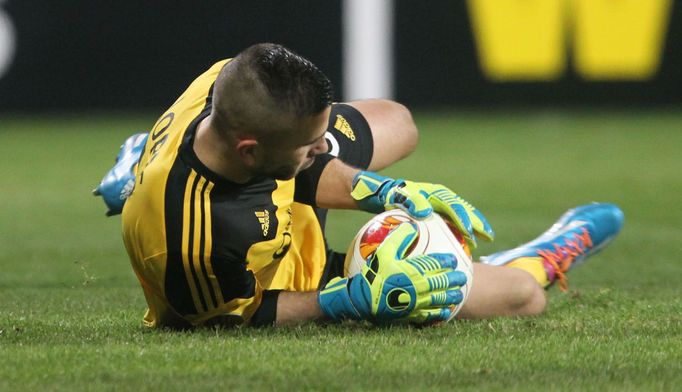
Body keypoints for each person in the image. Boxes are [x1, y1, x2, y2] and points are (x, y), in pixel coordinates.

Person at [94, 43, 623, 328]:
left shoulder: (225, 81)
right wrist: (348, 301)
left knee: (400, 124)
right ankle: (539, 254)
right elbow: (234, 317)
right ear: (249, 149)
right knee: (523, 297)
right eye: (311, 142)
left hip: (267, 186)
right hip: (268, 269)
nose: (324, 147)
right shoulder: (191, 243)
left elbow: (313, 157)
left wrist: (382, 190)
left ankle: (145, 155)